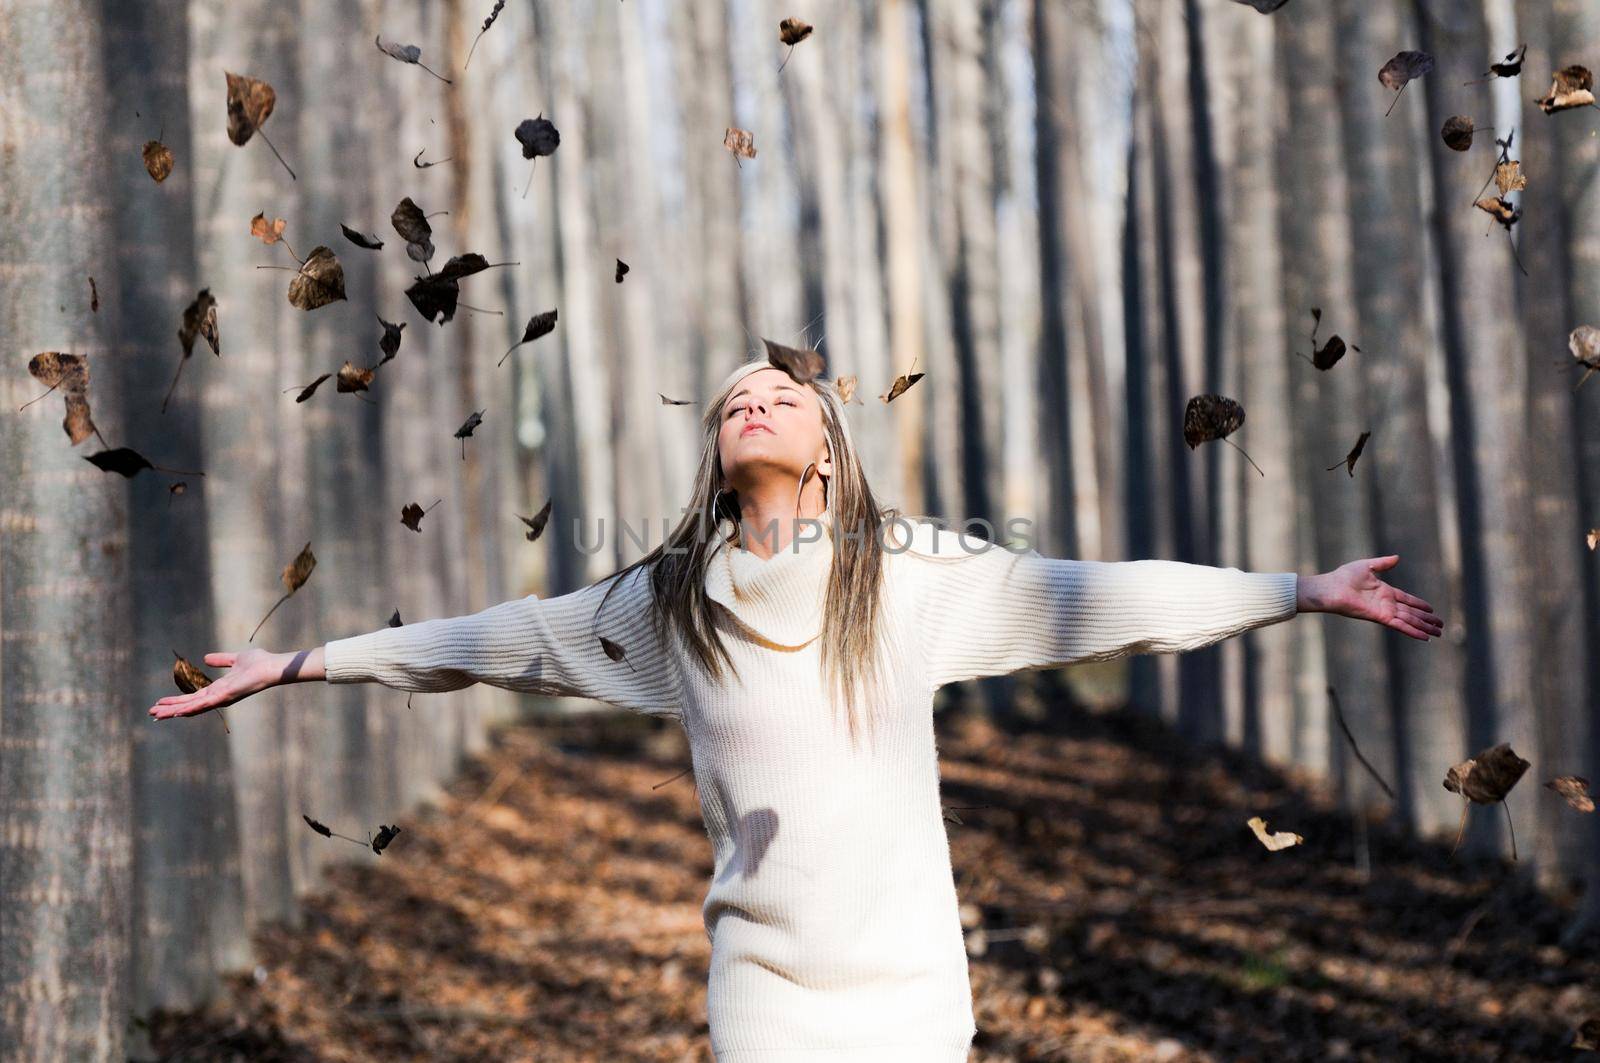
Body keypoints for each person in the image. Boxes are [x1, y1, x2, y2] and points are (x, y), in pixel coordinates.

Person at [147, 357, 1442, 1060]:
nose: (751, 404)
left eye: (776, 397)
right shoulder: (670, 602)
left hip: (912, 990)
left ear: (825, 444)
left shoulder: (914, 574)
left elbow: (1098, 598)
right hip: (761, 986)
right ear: (717, 454)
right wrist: (307, 662)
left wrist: (1293, 591)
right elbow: (498, 642)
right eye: (729, 407)